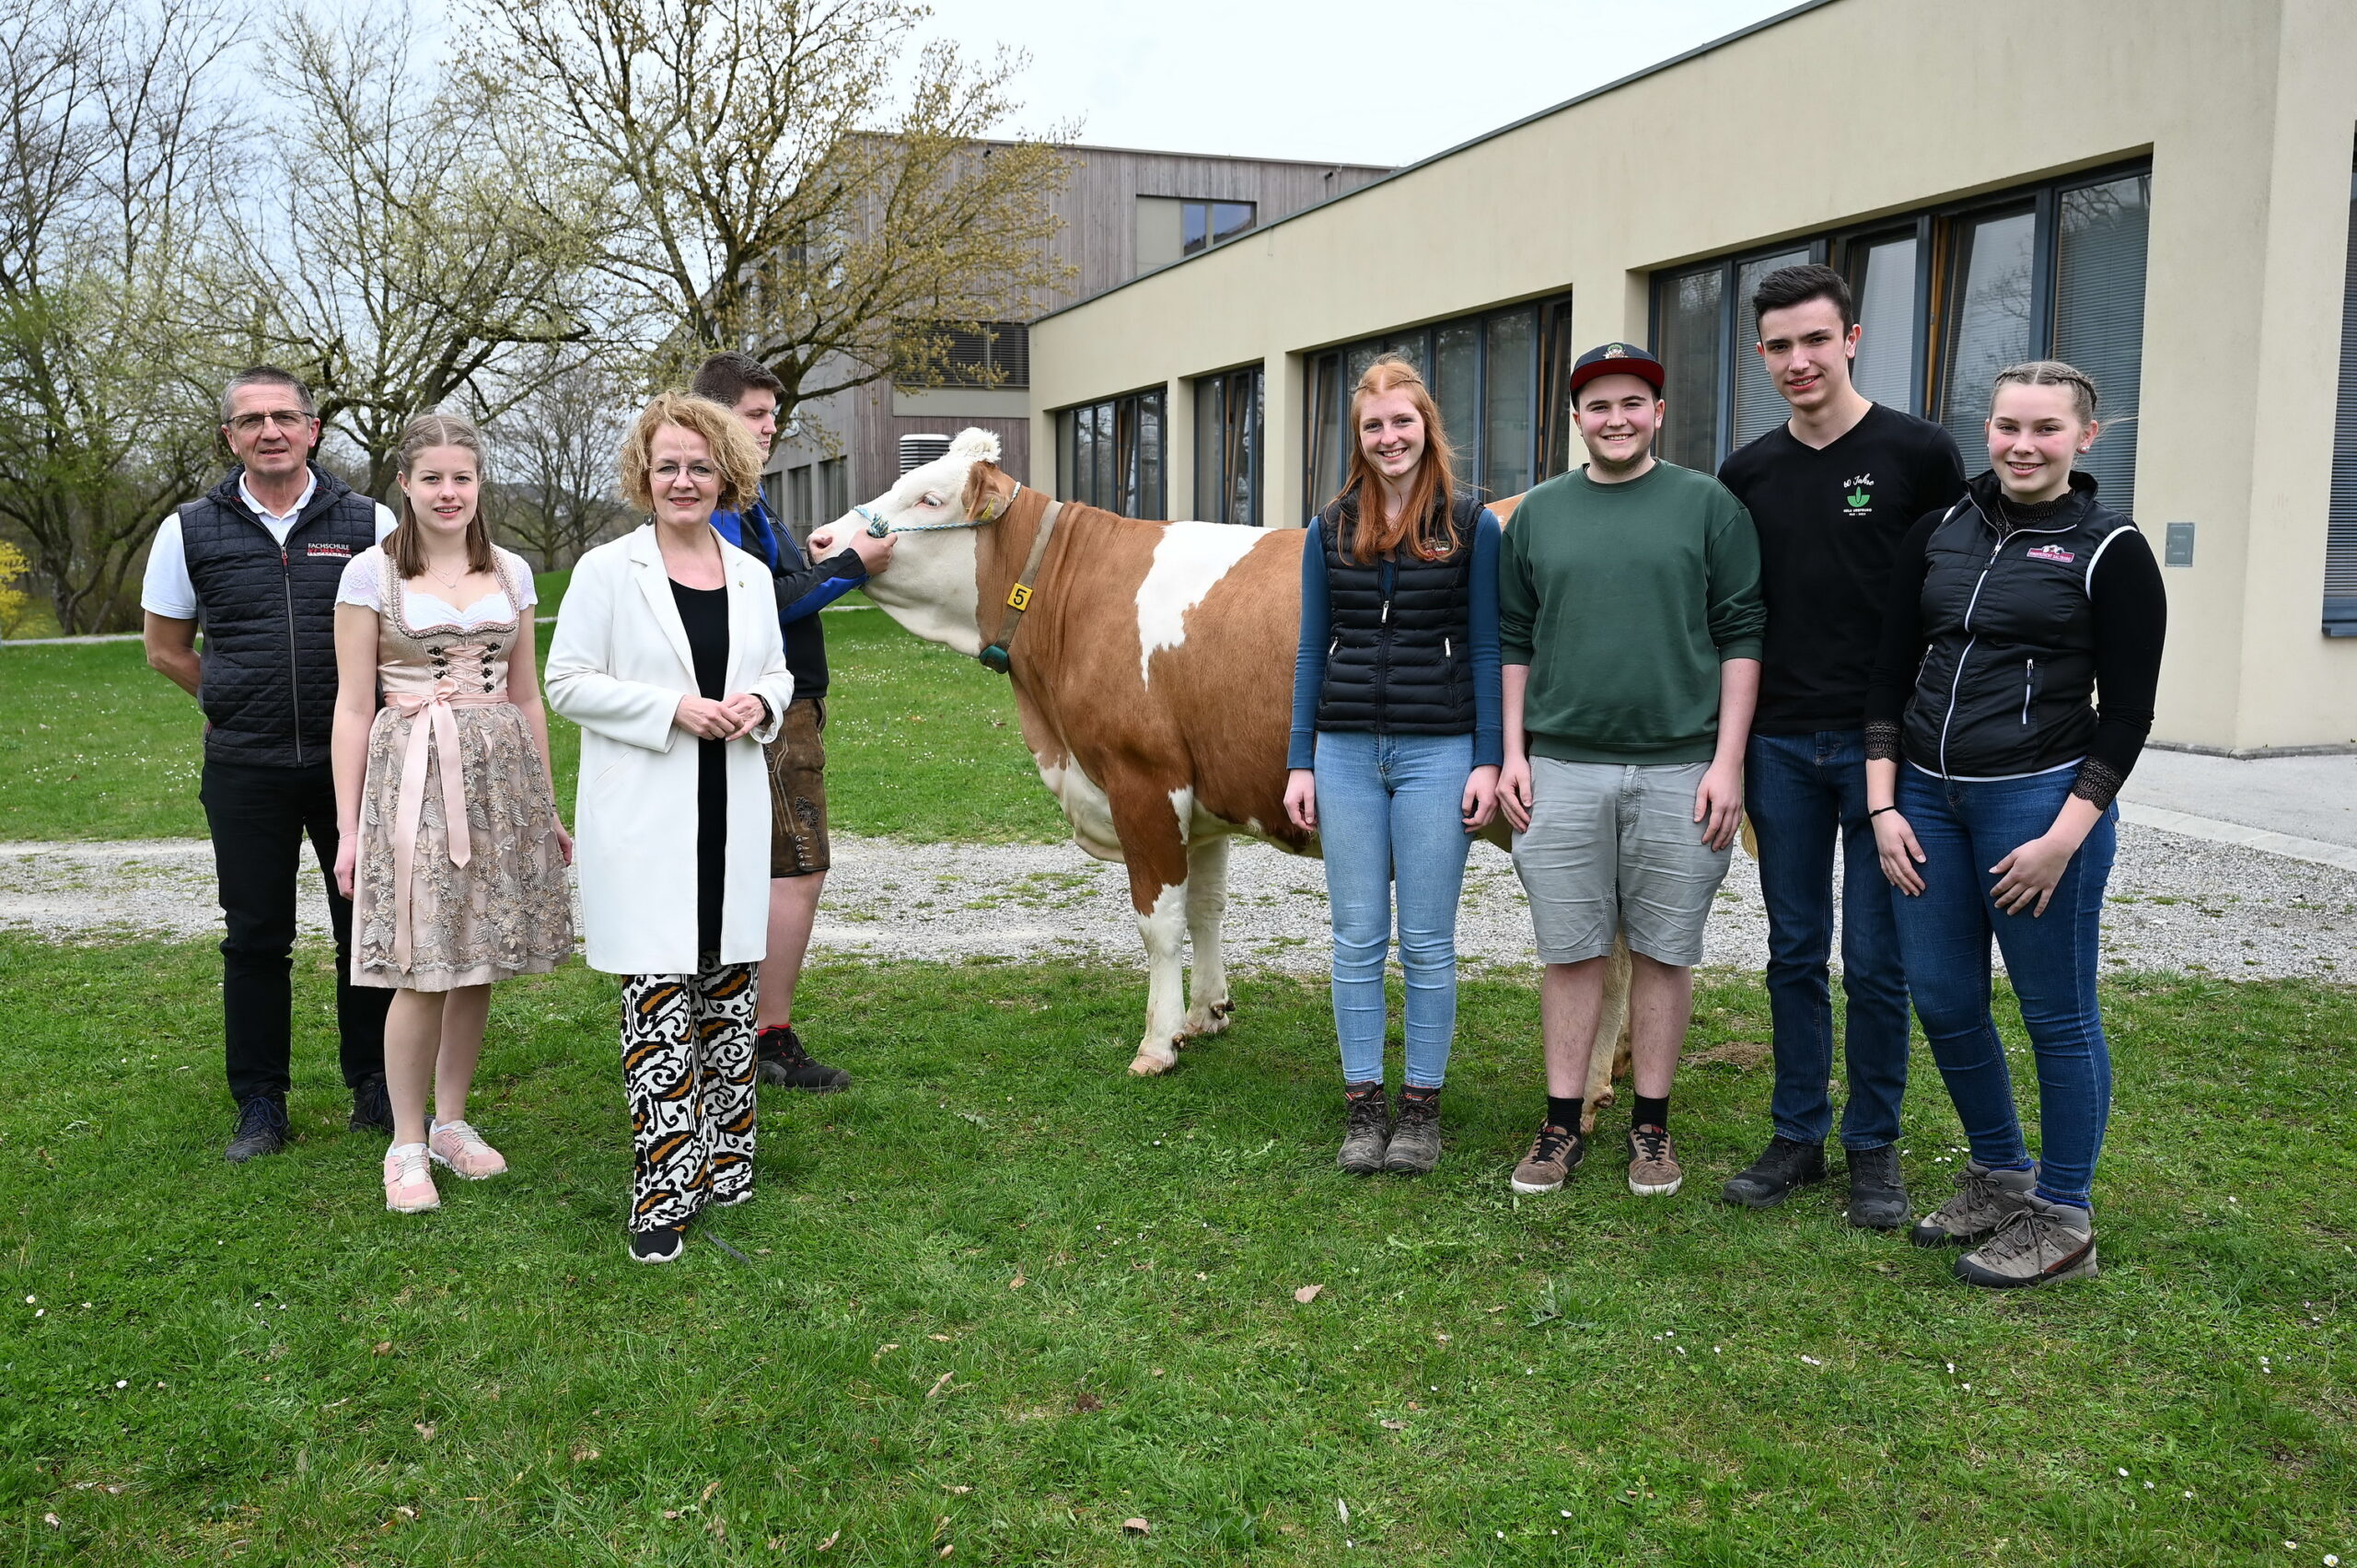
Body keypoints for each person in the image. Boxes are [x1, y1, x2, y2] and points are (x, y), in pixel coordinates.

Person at [1866, 360, 2165, 1288]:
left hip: (2036, 803)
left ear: (2084, 437)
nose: (2021, 445)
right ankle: (2000, 1173)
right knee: (1945, 996)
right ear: (1985, 429)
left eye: (2043, 428)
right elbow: (1885, 671)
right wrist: (1881, 801)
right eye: (2006, 426)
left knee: (2056, 1013)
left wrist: (2063, 835)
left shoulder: (2110, 547)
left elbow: (2127, 712)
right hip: (1922, 797)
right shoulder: (1938, 530)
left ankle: (2062, 1215)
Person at [1713, 264, 1968, 1227]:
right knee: (1792, 947)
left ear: (1852, 337)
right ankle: (1795, 1136)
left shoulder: (1918, 454)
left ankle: (1872, 1145)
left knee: (1874, 956)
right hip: (1779, 743)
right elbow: (1735, 616)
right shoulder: (1747, 473)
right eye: (1779, 345)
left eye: (1814, 339)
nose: (1798, 361)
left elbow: (1951, 600)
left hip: (1886, 751)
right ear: (1762, 355)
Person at [1499, 343, 1765, 1200]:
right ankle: (1560, 1124)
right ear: (1576, 417)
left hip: (1681, 766)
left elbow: (1742, 635)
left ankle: (1651, 1127)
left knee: (1662, 948)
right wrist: (1513, 753)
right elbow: (1511, 640)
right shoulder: (1539, 514)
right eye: (1598, 405)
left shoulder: (1708, 507)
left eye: (1632, 403)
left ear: (1657, 412)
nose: (1616, 418)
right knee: (1571, 952)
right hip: (1564, 766)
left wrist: (1727, 763)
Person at [546, 392, 795, 1264]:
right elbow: (566, 681)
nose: (683, 480)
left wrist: (762, 700)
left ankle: (728, 1160)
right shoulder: (606, 571)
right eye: (667, 466)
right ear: (643, 477)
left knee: (728, 993)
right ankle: (663, 1185)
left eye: (699, 466)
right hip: (647, 813)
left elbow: (776, 669)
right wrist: (673, 708)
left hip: (728, 806)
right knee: (658, 1004)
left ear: (727, 474)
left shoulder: (752, 574)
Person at [141, 366, 400, 1162]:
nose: (270, 431)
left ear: (314, 428)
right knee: (255, 936)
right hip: (244, 767)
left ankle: (375, 1082)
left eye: (284, 416)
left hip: (350, 763)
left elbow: (403, 634)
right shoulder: (188, 528)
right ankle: (261, 1101)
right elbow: (165, 648)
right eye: (250, 420)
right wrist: (227, 697)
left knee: (367, 928)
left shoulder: (370, 521)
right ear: (230, 437)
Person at [330, 412, 575, 1214]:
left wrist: (546, 808)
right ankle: (404, 1140)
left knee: (476, 959)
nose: (447, 492)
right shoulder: (370, 574)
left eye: (461, 478)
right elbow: (351, 704)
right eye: (431, 478)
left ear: (479, 484)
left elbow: (527, 694)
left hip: (500, 779)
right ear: (403, 483)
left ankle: (451, 1121)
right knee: (421, 963)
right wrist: (347, 826)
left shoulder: (512, 572)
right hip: (413, 777)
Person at [1283, 356, 1502, 1177]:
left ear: (1426, 426)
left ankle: (1421, 1109)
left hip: (1437, 750)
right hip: (1343, 752)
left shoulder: (1473, 525)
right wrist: (1299, 761)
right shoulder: (1328, 526)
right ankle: (1364, 1105)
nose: (1388, 438)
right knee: (1356, 938)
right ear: (1359, 437)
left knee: (1430, 941)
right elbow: (1313, 648)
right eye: (1373, 426)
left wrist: (1485, 758)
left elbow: (1487, 646)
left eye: (1401, 422)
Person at [690, 352, 893, 1092]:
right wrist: (852, 567)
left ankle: (735, 1029)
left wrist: (814, 551)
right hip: (773, 712)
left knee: (772, 869)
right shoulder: (718, 504)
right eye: (755, 414)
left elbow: (772, 577)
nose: (771, 427)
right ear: (714, 417)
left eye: (774, 416)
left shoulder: (746, 495)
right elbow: (763, 605)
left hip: (783, 706)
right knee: (796, 869)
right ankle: (764, 1039)